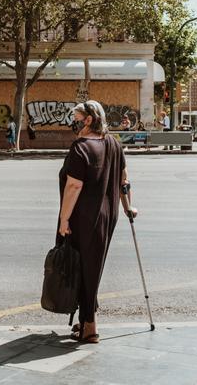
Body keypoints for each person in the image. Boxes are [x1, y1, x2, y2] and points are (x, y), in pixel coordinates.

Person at [57, 100, 136, 344]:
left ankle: (90, 327)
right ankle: (86, 319)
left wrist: (64, 219)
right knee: (92, 267)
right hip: (107, 216)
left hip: (82, 217)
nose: (74, 122)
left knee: (82, 269)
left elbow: (74, 186)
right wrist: (127, 207)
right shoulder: (113, 143)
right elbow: (124, 179)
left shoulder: (81, 147)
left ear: (89, 119)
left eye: (77, 117)